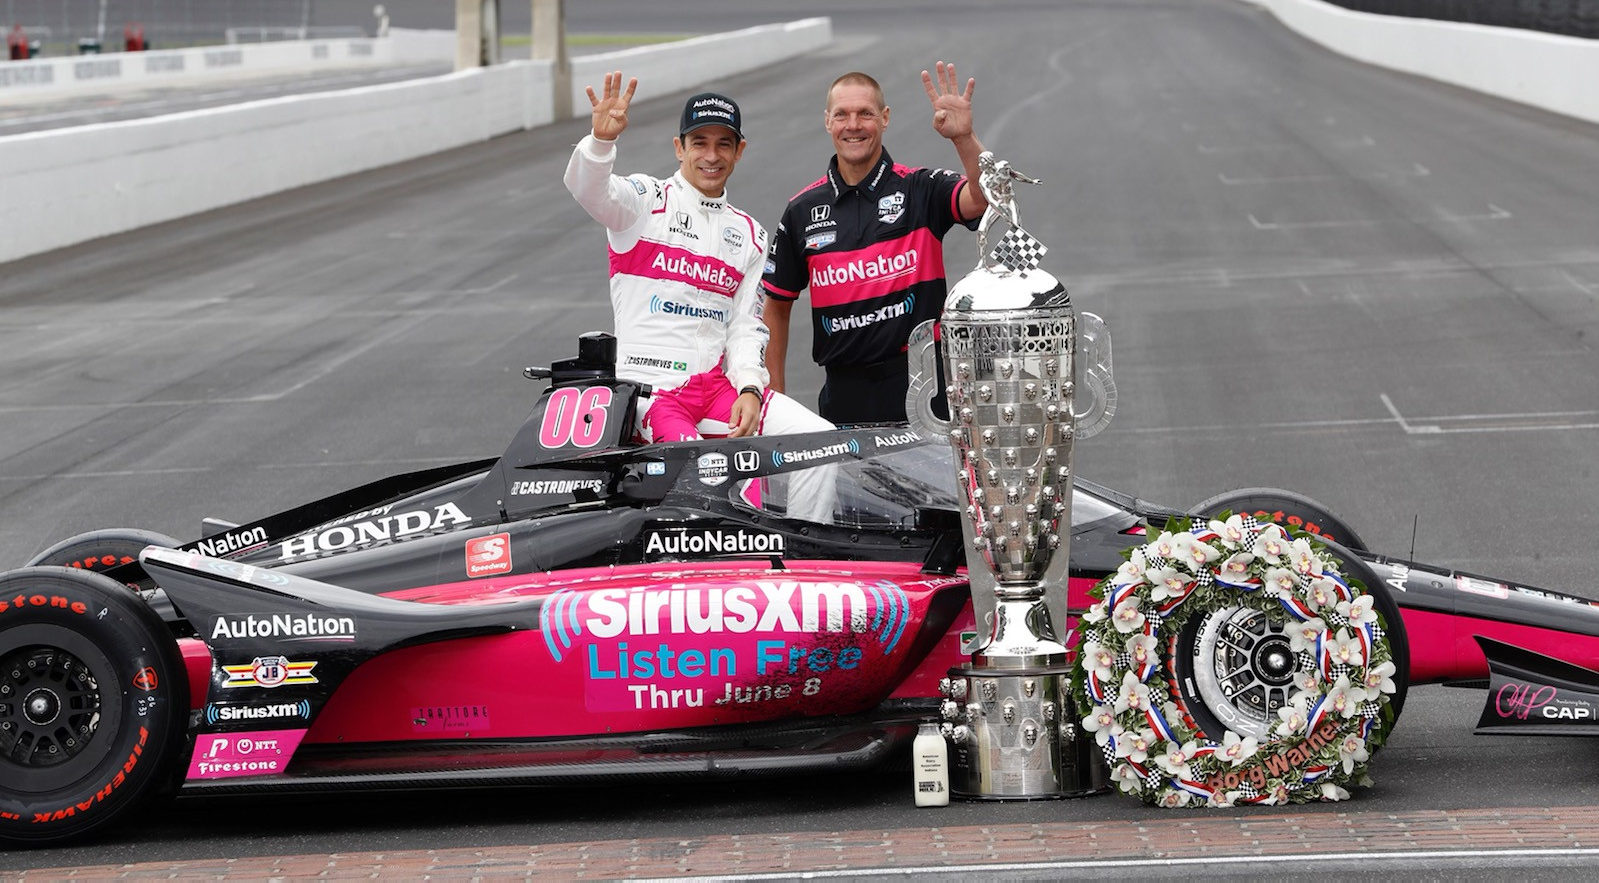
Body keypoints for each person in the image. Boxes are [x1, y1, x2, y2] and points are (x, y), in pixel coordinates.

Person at [564, 72, 836, 521]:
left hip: (716, 390)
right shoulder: (644, 202)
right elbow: (589, 190)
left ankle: (802, 559)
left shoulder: (748, 234)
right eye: (700, 143)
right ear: (679, 148)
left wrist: (750, 385)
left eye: (723, 144)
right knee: (708, 476)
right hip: (652, 393)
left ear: (739, 151)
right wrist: (599, 143)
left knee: (821, 444)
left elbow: (747, 325)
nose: (711, 156)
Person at [761, 63, 990, 424]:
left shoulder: (920, 188)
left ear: (884, 118)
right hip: (843, 394)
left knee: (931, 485)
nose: (853, 125)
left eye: (865, 114)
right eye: (842, 115)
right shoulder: (802, 210)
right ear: (827, 122)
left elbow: (982, 199)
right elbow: (775, 305)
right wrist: (772, 403)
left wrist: (964, 137)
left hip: (923, 385)